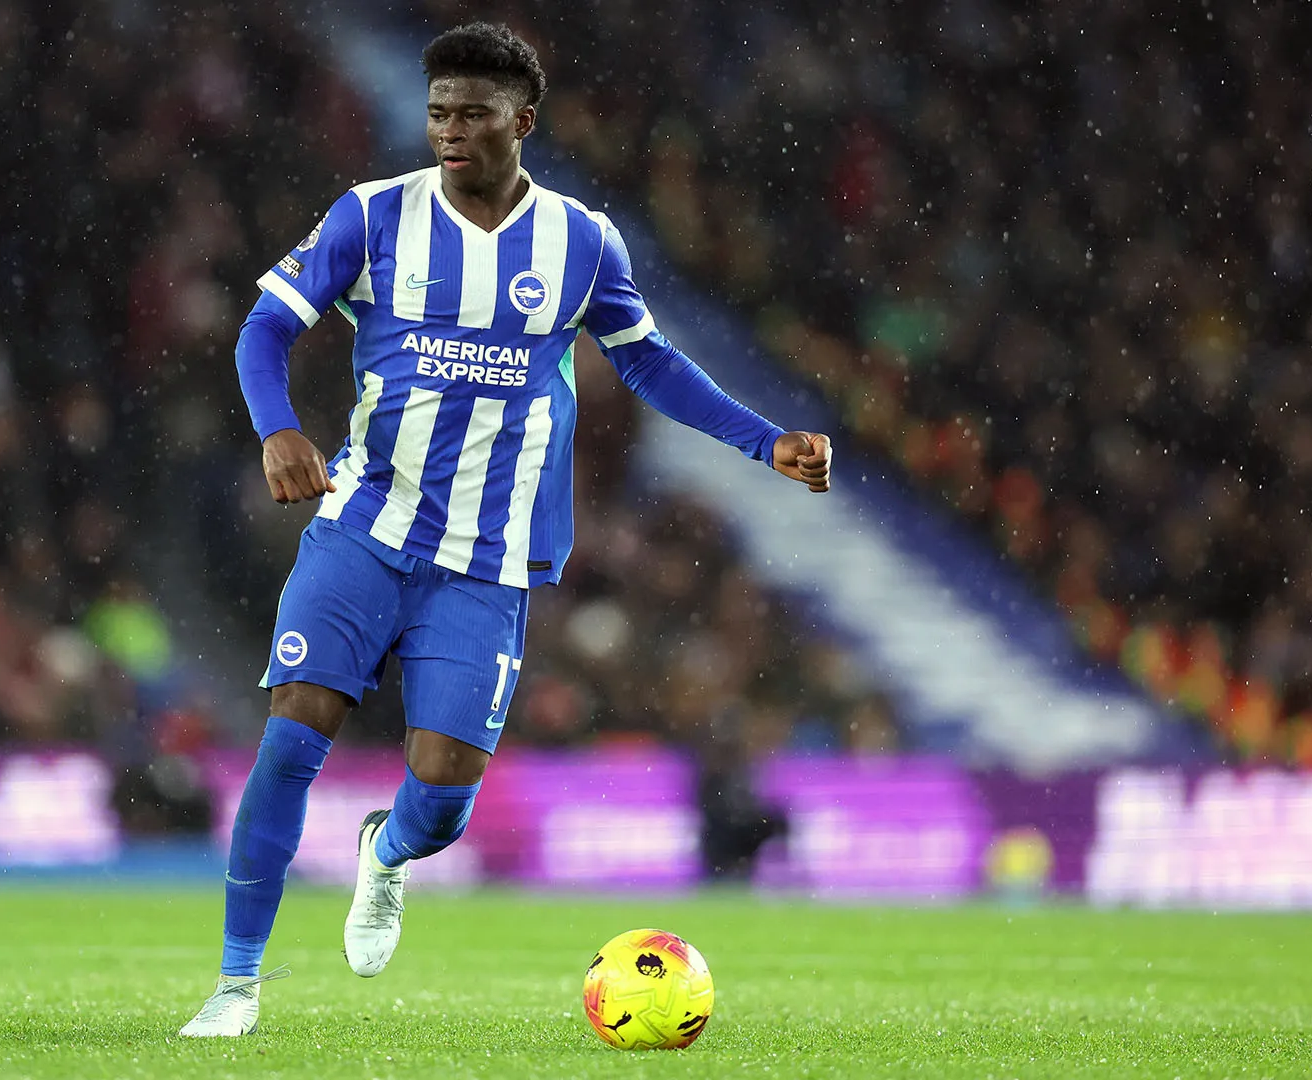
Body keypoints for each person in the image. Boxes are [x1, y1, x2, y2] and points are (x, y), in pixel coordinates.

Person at [180, 23, 832, 1037]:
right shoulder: (371, 216)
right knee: (291, 734)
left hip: (485, 561)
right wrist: (276, 433)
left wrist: (764, 443)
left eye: (474, 113)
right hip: (363, 525)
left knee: (444, 786)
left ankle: (387, 852)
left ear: (522, 122)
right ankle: (234, 986)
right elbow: (267, 325)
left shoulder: (581, 241)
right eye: (439, 110)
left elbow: (650, 362)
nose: (450, 129)